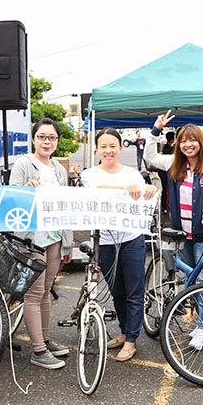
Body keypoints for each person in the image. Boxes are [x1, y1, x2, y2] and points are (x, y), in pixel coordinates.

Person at [144, 111, 203, 350]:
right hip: (183, 233)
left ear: (201, 142)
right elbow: (150, 157)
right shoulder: (174, 163)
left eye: (193, 140)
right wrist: (155, 130)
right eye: (183, 140)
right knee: (192, 280)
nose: (188, 144)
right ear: (178, 144)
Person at [81, 128, 158, 362]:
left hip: (132, 240)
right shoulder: (89, 174)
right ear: (96, 149)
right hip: (104, 242)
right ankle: (124, 332)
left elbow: (145, 192)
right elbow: (96, 192)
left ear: (120, 148)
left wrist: (149, 189)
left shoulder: (133, 173)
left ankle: (132, 340)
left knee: (134, 293)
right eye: (103, 146)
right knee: (117, 291)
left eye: (112, 145)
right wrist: (126, 190)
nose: (108, 150)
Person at [9, 118, 73, 370]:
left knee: (46, 292)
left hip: (54, 238)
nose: (47, 141)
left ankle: (45, 340)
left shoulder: (59, 168)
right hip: (31, 239)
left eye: (52, 138)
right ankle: (38, 351)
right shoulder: (24, 163)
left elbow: (65, 206)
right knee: (34, 294)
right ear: (34, 139)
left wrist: (67, 244)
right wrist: (26, 189)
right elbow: (12, 198)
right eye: (42, 136)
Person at [157, 131, 175, 214]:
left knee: (166, 189)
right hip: (164, 172)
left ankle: (165, 206)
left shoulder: (167, 147)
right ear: (173, 139)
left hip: (163, 171)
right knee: (166, 189)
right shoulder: (169, 148)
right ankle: (165, 206)